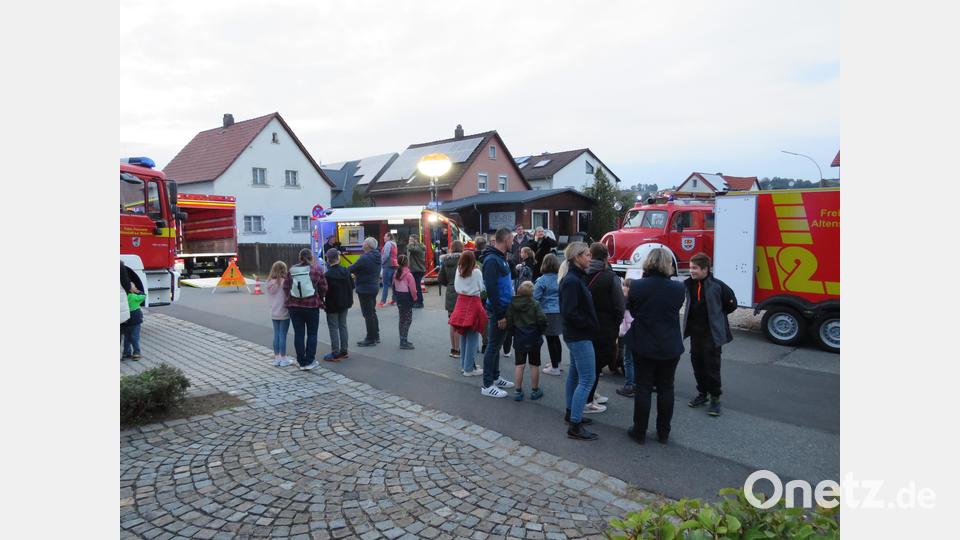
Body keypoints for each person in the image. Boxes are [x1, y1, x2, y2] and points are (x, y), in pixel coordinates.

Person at [625, 248, 685, 444]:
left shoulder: (637, 286)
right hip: (669, 344)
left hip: (644, 342)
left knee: (643, 387)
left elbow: (633, 310)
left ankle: (639, 431)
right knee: (666, 387)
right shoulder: (678, 288)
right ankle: (663, 432)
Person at [683, 252, 737, 417]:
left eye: (695, 268)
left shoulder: (718, 286)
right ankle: (702, 394)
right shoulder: (688, 284)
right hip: (696, 333)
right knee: (697, 364)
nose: (691, 271)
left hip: (712, 335)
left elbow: (732, 304)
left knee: (712, 367)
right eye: (690, 267)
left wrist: (717, 317)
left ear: (705, 269)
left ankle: (715, 398)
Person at [559, 242, 600, 440]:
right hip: (579, 336)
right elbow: (569, 312)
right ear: (577, 257)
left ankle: (571, 413)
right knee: (587, 379)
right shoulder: (572, 281)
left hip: (577, 335)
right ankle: (575, 425)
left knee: (575, 376)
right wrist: (589, 324)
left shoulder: (576, 278)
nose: (590, 258)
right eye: (587, 255)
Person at [584, 243, 624, 414]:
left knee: (588, 363)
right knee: (597, 363)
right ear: (606, 257)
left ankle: (590, 394)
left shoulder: (580, 273)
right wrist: (616, 324)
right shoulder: (610, 277)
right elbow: (619, 306)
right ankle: (588, 399)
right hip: (605, 327)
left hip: (584, 325)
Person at [480, 227, 517, 397]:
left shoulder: (500, 258)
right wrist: (500, 314)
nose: (513, 242)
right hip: (498, 310)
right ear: (506, 240)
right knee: (493, 346)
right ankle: (487, 385)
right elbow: (492, 289)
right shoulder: (492, 260)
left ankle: (495, 377)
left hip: (504, 308)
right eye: (512, 240)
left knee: (497, 346)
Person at [284, 248, 327, 371]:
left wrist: (292, 297)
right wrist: (320, 296)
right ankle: (310, 360)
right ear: (311, 257)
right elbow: (324, 287)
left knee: (299, 334)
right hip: (312, 306)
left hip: (294, 306)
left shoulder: (292, 270)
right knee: (312, 334)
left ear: (299, 258)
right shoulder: (317, 270)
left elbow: (286, 287)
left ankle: (301, 362)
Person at [507, 281, 547, 401]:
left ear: (519, 290)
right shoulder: (535, 304)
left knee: (519, 365)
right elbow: (542, 319)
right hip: (534, 337)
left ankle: (518, 391)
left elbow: (509, 321)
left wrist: (513, 333)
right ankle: (535, 390)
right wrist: (541, 331)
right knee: (534, 364)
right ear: (532, 292)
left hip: (519, 337)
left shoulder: (512, 304)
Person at [449, 250, 487, 376]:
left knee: (464, 335)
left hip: (461, 301)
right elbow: (481, 288)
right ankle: (469, 369)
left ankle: (465, 365)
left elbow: (456, 286)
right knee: (472, 337)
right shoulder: (476, 272)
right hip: (474, 302)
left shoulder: (458, 270)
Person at [534, 253, 563, 376]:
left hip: (547, 311)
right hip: (559, 311)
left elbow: (535, 297)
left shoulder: (542, 280)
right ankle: (557, 363)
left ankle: (554, 368)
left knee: (551, 339)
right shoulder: (560, 279)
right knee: (556, 338)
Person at [349, 237, 382, 347]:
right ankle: (376, 335)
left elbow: (352, 268)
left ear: (367, 245)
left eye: (364, 242)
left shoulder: (365, 257)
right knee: (372, 312)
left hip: (365, 288)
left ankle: (370, 338)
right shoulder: (377, 256)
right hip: (373, 286)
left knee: (367, 314)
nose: (362, 244)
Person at [322, 248, 354, 362]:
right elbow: (352, 286)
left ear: (328, 260)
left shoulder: (327, 275)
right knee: (343, 326)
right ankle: (344, 351)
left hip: (332, 304)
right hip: (345, 302)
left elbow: (324, 291)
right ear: (338, 258)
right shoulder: (346, 271)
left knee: (333, 328)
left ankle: (335, 352)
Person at [438, 241, 464, 358]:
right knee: (459, 323)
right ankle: (458, 349)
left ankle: (453, 349)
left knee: (452, 322)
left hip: (450, 290)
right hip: (461, 292)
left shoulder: (445, 260)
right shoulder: (463, 259)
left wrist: (449, 284)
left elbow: (440, 278)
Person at [266, 261, 294, 367]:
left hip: (274, 312)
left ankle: (277, 358)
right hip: (284, 311)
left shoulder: (269, 282)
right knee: (283, 335)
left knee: (276, 335)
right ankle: (283, 358)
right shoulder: (285, 282)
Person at [392, 254, 419, 349]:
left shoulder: (396, 273)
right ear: (407, 263)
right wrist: (415, 298)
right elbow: (413, 289)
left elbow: (393, 285)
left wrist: (395, 296)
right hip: (407, 298)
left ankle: (402, 339)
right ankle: (404, 341)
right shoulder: (408, 275)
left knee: (402, 319)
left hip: (399, 297)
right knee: (408, 319)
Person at [615, 278, 636, 397]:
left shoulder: (624, 302)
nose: (623, 287)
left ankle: (629, 385)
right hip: (638, 334)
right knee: (635, 360)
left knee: (628, 360)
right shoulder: (637, 301)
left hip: (628, 334)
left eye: (625, 286)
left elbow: (623, 325)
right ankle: (635, 383)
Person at [121, 285, 146, 361]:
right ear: (131, 289)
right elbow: (143, 296)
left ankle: (126, 353)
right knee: (135, 337)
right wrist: (137, 291)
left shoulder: (123, 297)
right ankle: (136, 353)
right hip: (135, 320)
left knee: (127, 338)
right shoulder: (133, 297)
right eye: (134, 287)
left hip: (125, 320)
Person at [378, 232, 399, 308]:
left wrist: (382, 262)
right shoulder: (394, 244)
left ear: (389, 237)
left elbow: (386, 255)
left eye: (385, 236)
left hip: (387, 265)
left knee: (385, 285)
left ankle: (382, 302)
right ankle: (394, 300)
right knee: (393, 284)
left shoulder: (388, 244)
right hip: (394, 265)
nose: (384, 237)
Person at [407, 236, 427, 308]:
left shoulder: (419, 247)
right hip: (416, 269)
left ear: (416, 240)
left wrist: (411, 243)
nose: (409, 241)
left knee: (417, 287)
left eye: (411, 240)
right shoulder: (418, 247)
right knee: (414, 286)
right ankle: (414, 301)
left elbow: (410, 249)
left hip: (417, 270)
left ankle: (420, 302)